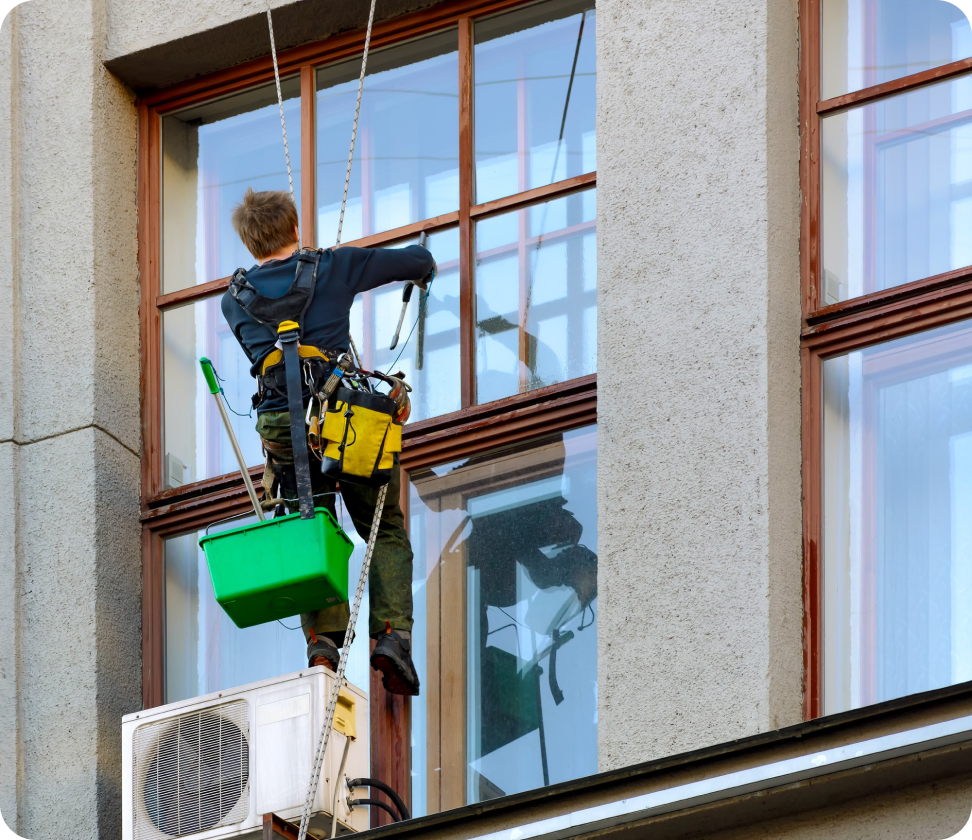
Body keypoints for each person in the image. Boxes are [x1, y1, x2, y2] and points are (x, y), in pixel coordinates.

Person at [221, 188, 435, 696]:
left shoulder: (234, 301)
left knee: (313, 525)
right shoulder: (334, 267)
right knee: (383, 528)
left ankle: (323, 643)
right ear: (295, 227)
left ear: (251, 246)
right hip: (341, 419)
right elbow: (416, 262)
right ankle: (391, 638)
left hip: (282, 429)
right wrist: (421, 265)